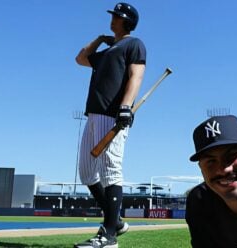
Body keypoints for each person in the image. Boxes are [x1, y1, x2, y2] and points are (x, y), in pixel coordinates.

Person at [74, 2, 146, 248]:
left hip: (113, 115)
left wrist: (125, 107)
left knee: (110, 170)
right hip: (93, 114)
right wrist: (99, 39)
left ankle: (110, 237)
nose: (113, 19)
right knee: (86, 172)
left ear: (127, 21)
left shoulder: (133, 44)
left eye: (117, 16)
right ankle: (116, 221)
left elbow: (136, 75)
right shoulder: (107, 51)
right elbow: (80, 59)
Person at [186, 115, 237, 247]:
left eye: (231, 155)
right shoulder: (200, 202)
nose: (223, 169)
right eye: (211, 161)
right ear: (201, 168)